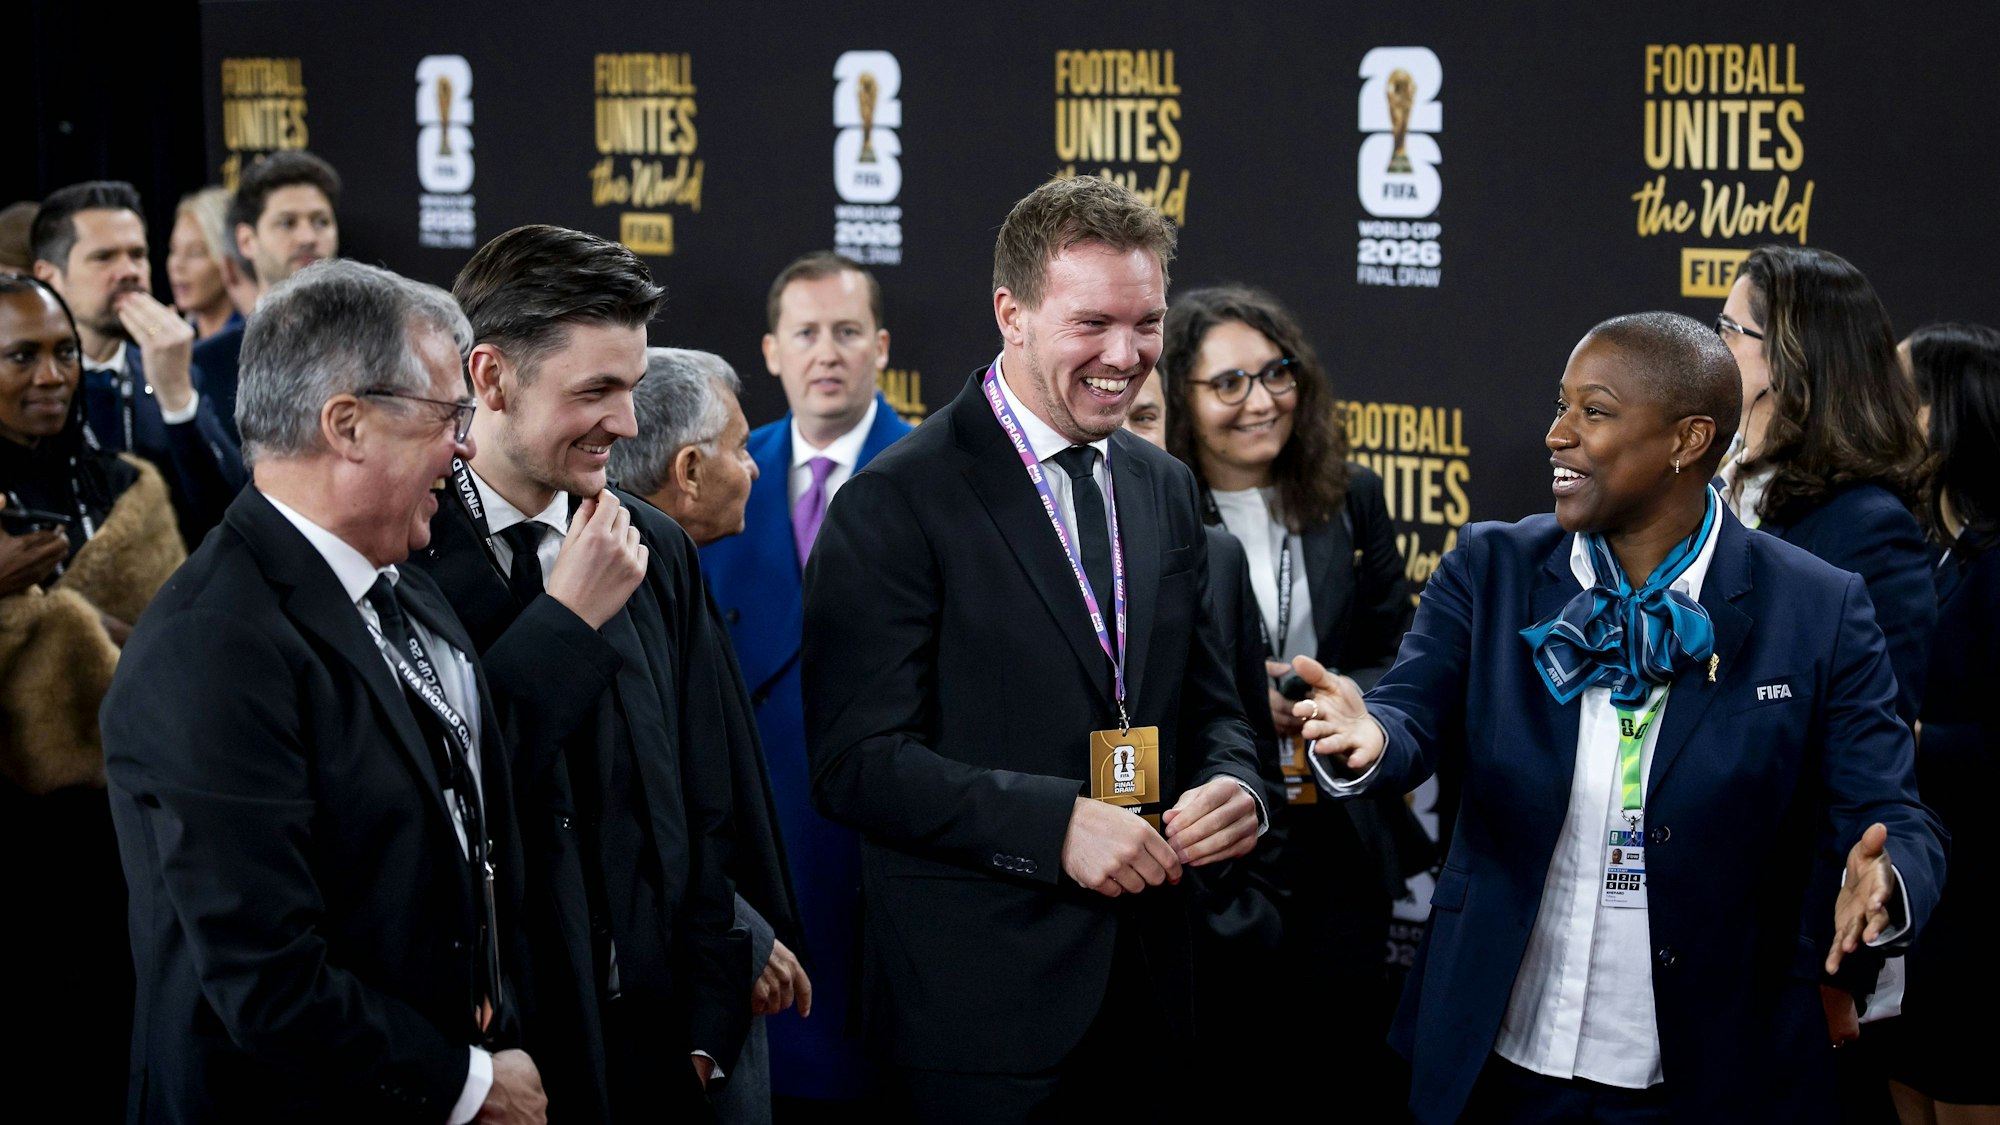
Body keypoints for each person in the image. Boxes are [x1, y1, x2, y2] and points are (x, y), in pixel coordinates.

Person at [1291, 310, 1946, 1122]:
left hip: (1711, 1072)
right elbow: (1409, 714)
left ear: (1688, 439)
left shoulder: (1815, 606)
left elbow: (1891, 813)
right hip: (1497, 1056)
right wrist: (1370, 734)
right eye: (1560, 406)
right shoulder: (1490, 567)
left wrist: (1887, 878)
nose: (1557, 435)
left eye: (1593, 412)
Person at [801, 175, 1265, 1121]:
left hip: (1153, 991)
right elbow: (857, 763)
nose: (1126, 356)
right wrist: (1055, 824)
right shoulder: (896, 502)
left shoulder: (1166, 485)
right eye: (1092, 323)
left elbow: (1217, 705)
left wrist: (1239, 785)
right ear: (1011, 313)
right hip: (978, 1019)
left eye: (1147, 323)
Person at [103, 259, 547, 1123]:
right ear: (347, 424)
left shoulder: (404, 580)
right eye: (448, 414)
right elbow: (268, 981)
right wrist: (467, 1084)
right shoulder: (213, 644)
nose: (465, 444)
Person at [408, 224, 748, 1123]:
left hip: (660, 1055)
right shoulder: (403, 553)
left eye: (632, 388)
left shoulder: (655, 546)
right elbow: (433, 802)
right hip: (504, 1060)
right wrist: (564, 624)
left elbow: (710, 797)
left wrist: (709, 1030)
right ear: (489, 378)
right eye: (594, 390)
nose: (628, 424)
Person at [1157, 283, 1423, 1114]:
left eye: (1277, 373)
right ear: (1178, 397)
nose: (1261, 400)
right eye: (1228, 383)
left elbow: (1398, 650)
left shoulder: (1353, 498)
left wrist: (1342, 699)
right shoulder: (1153, 506)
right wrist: (1241, 699)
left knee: (1334, 1058)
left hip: (1337, 823)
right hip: (1212, 836)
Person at [698, 249, 910, 1111]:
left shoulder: (940, 472)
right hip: (754, 841)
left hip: (889, 847)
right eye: (807, 333)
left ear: (882, 347)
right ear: (772, 351)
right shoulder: (710, 472)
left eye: (848, 332)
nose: (828, 352)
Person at [1716, 245, 1936, 1061]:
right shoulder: (1706, 484)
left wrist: (1830, 963)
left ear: (1789, 361)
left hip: (1781, 936)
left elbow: (1867, 762)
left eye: (1728, 329)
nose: (1711, 348)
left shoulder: (1866, 525)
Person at [0, 275, 183, 1121]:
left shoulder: (131, 488)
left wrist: (69, 618)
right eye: (21, 355)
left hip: (126, 838)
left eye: (65, 350)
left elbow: (183, 652)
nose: (50, 374)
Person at [614, 346, 812, 1125]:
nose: (755, 466)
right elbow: (644, 796)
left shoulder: (680, 571)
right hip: (677, 991)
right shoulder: (627, 580)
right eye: (738, 445)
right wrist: (736, 925)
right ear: (688, 469)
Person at [1119, 368, 1289, 1113]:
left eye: (1147, 415)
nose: (1127, 435)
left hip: (1197, 933)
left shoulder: (1215, 556)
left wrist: (1245, 891)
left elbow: (1246, 737)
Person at [1876, 322, 2000, 1125]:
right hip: (1923, 892)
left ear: (1948, 415)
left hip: (1984, 912)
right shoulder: (1931, 548)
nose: (1882, 413)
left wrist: (1917, 742)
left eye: (1903, 397)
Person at [31, 180, 246, 545]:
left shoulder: (173, 371)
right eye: (104, 257)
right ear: (49, 277)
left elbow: (231, 514)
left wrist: (178, 399)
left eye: (137, 254)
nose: (129, 271)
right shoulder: (24, 386)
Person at [194, 150, 343, 440]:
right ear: (247, 241)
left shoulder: (373, 347)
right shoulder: (205, 363)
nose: (308, 237)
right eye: (287, 223)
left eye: (321, 221)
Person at [167, 186, 248, 341]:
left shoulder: (252, 340)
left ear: (229, 261)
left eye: (195, 253)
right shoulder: (179, 342)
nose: (177, 265)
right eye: (174, 250)